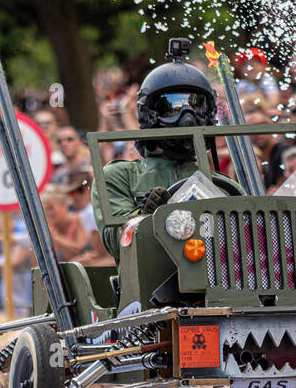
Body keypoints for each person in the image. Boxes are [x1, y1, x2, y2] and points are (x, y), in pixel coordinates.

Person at [91, 40, 218, 267]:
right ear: (149, 114)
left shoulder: (218, 181)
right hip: (147, 292)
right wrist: (146, 215)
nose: (187, 116)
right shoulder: (120, 176)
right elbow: (115, 242)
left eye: (196, 105)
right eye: (173, 106)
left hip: (216, 286)